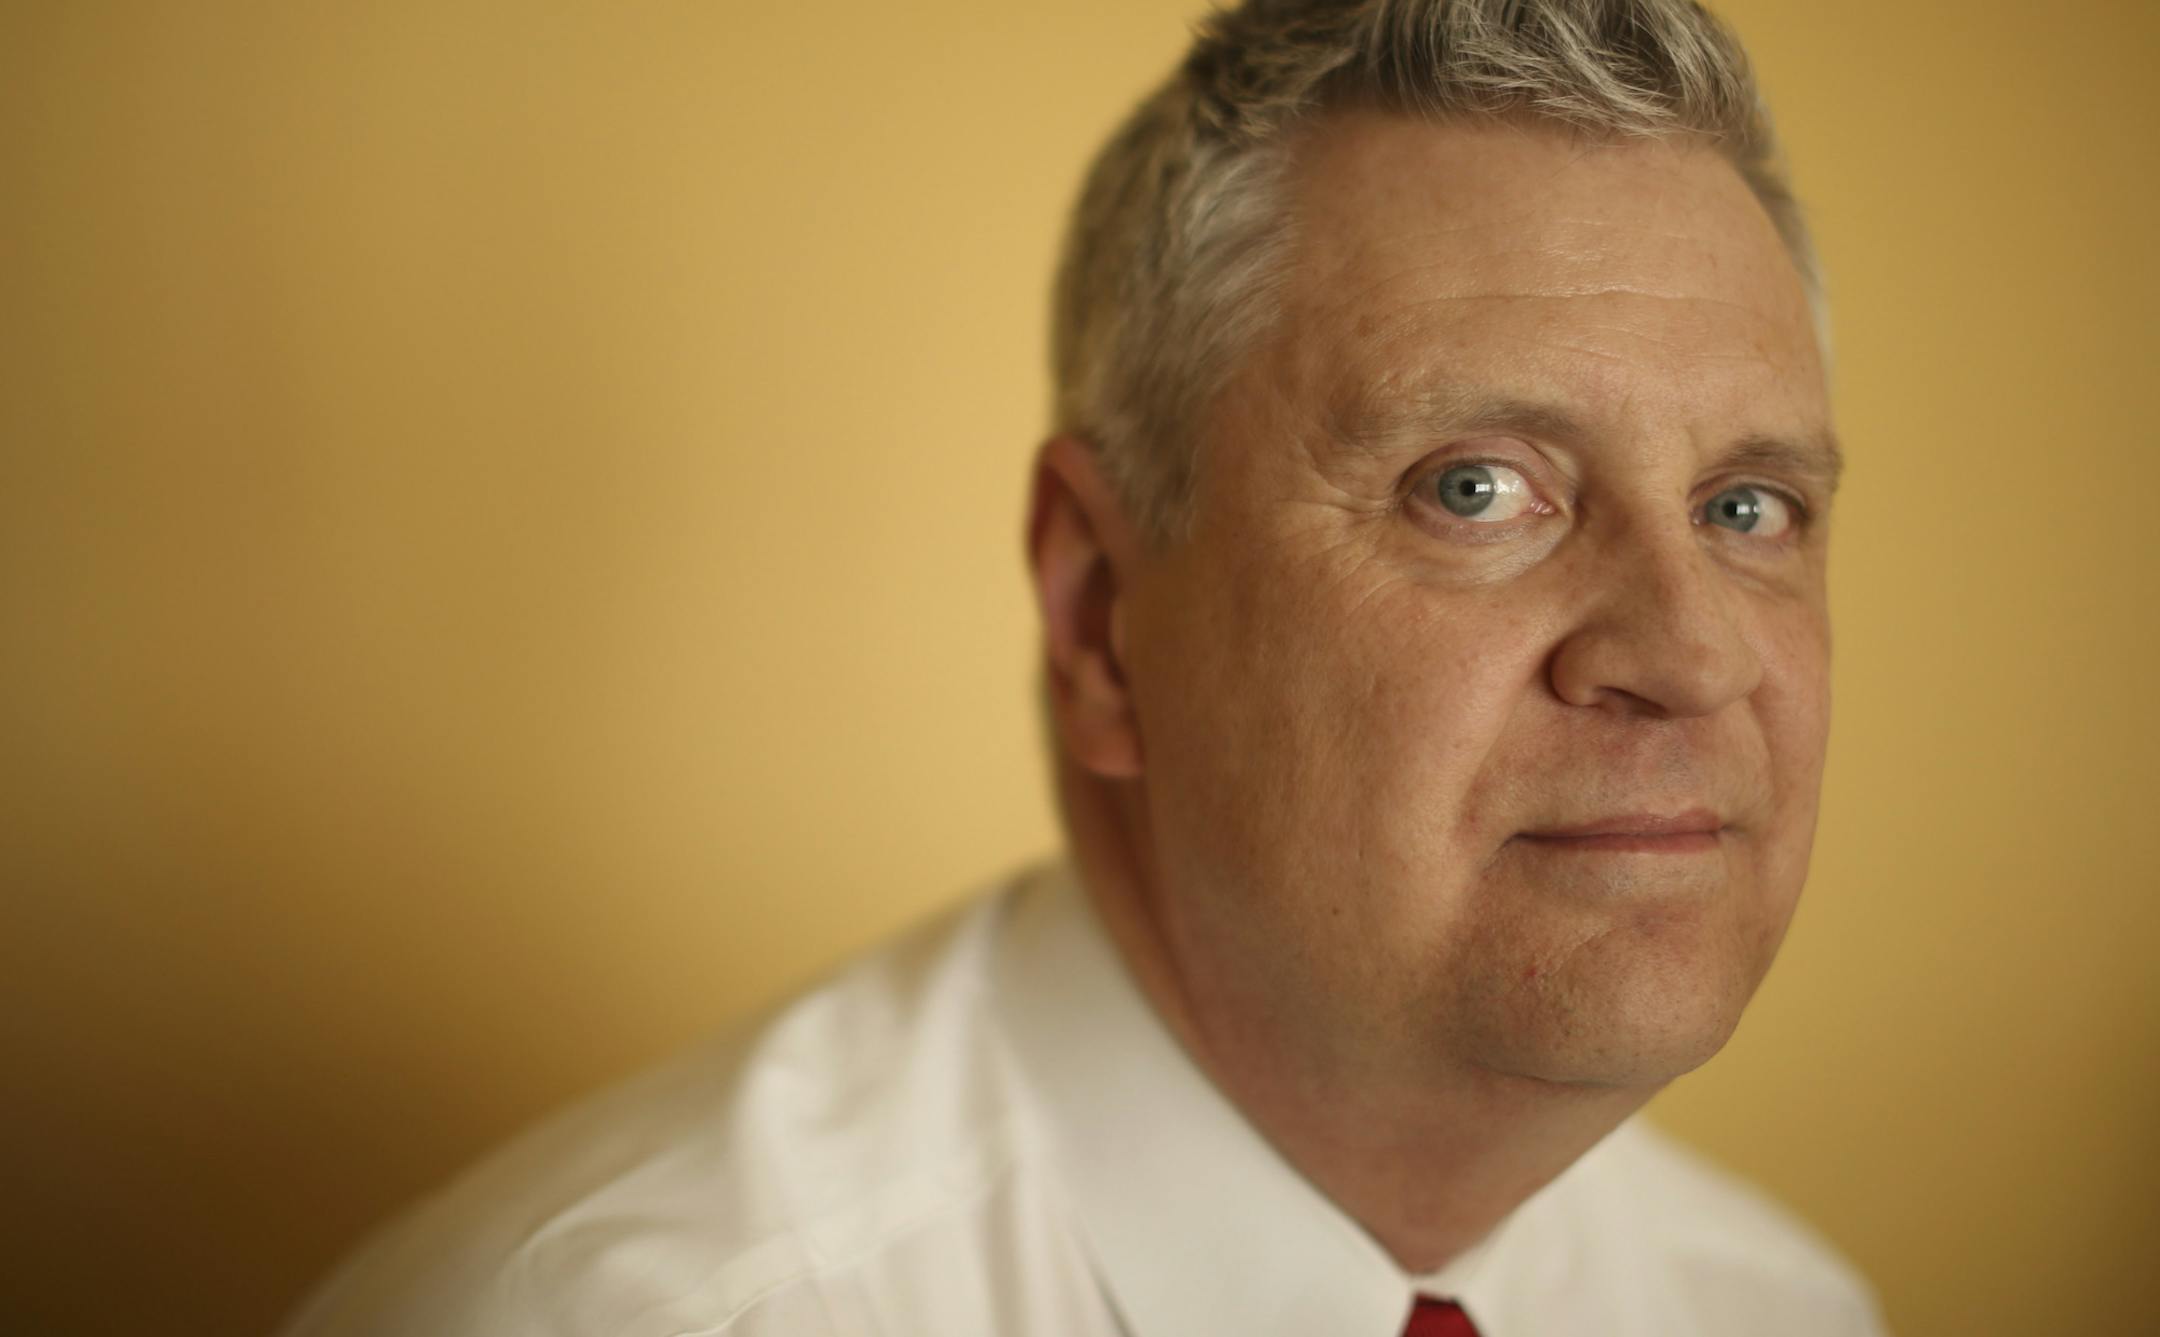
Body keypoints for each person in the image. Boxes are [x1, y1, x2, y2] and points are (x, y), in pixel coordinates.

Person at [281, 1, 1887, 1333]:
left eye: (1749, 507)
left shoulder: (1781, 1306)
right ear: (1099, 613)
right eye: (1473, 488)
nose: (1685, 653)